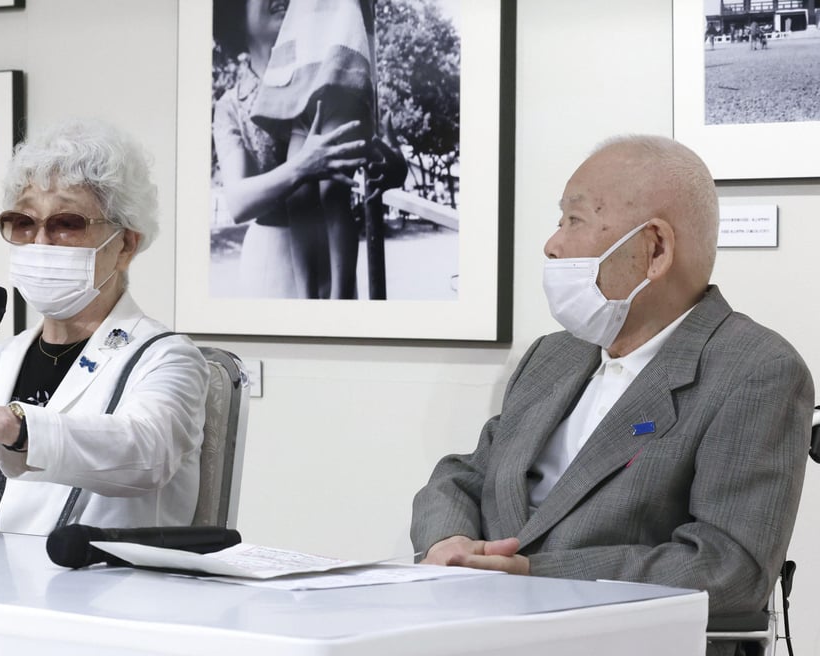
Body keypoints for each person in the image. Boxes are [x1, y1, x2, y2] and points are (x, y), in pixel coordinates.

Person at [410, 135, 813, 656]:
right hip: (486, 633)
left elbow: (730, 568)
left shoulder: (756, 370)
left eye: (573, 221)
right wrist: (449, 545)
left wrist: (536, 576)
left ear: (655, 249)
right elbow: (463, 476)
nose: (552, 244)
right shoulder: (554, 354)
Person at [0, 118, 210, 535]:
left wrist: (12, 425)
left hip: (104, 593)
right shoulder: (3, 358)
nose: (39, 242)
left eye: (66, 223)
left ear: (125, 245)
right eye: (23, 223)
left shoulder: (166, 357)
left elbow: (147, 452)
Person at [213, 0, 402, 299]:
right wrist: (302, 166)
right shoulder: (231, 104)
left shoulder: (338, 74)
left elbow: (370, 153)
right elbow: (237, 202)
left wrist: (391, 169)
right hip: (272, 258)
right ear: (235, 16)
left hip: (334, 255)